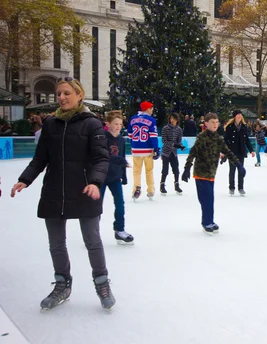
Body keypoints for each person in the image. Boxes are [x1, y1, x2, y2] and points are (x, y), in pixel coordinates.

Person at [10, 77, 115, 310]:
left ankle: (102, 282)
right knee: (56, 243)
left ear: (79, 95)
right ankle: (62, 284)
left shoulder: (92, 124)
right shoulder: (50, 124)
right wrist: (24, 179)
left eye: (67, 93)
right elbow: (40, 158)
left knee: (92, 241)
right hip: (55, 189)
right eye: (59, 93)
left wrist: (96, 182)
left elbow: (101, 158)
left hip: (85, 188)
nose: (62, 97)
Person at [181, 113, 244, 234]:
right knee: (206, 199)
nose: (215, 125)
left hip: (211, 174)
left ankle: (210, 220)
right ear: (206, 124)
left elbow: (227, 152)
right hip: (200, 173)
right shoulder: (201, 137)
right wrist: (187, 168)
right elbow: (192, 153)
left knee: (210, 199)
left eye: (217, 122)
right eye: (212, 122)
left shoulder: (218, 138)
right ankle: (206, 222)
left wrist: (238, 165)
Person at [101, 111, 133, 245]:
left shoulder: (120, 139)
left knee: (120, 204)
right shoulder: (102, 137)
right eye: (115, 124)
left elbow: (123, 159)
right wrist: (120, 161)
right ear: (107, 124)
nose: (119, 126)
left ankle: (119, 230)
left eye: (120, 124)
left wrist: (123, 176)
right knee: (96, 206)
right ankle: (92, 233)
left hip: (115, 177)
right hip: (101, 176)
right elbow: (104, 156)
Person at [128, 101, 159, 201]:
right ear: (147, 109)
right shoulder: (151, 120)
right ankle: (150, 190)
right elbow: (153, 136)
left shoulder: (133, 119)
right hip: (148, 150)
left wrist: (134, 145)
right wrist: (156, 148)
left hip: (136, 150)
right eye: (151, 109)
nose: (152, 111)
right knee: (149, 171)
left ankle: (136, 188)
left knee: (137, 171)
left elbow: (130, 135)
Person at [223, 110, 255, 196]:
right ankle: (231, 187)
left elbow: (247, 140)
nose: (240, 116)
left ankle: (241, 187)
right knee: (232, 170)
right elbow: (225, 140)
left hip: (241, 151)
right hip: (232, 151)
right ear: (234, 116)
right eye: (238, 115)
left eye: (240, 115)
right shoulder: (229, 127)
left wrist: (251, 150)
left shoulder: (244, 127)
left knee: (241, 170)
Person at [160, 113, 185, 196]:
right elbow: (164, 141)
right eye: (171, 118)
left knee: (176, 170)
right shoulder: (165, 128)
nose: (172, 120)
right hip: (166, 152)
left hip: (174, 153)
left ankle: (177, 184)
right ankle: (162, 185)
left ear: (177, 120)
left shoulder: (179, 130)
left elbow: (179, 141)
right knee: (165, 170)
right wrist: (173, 145)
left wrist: (180, 146)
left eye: (173, 118)